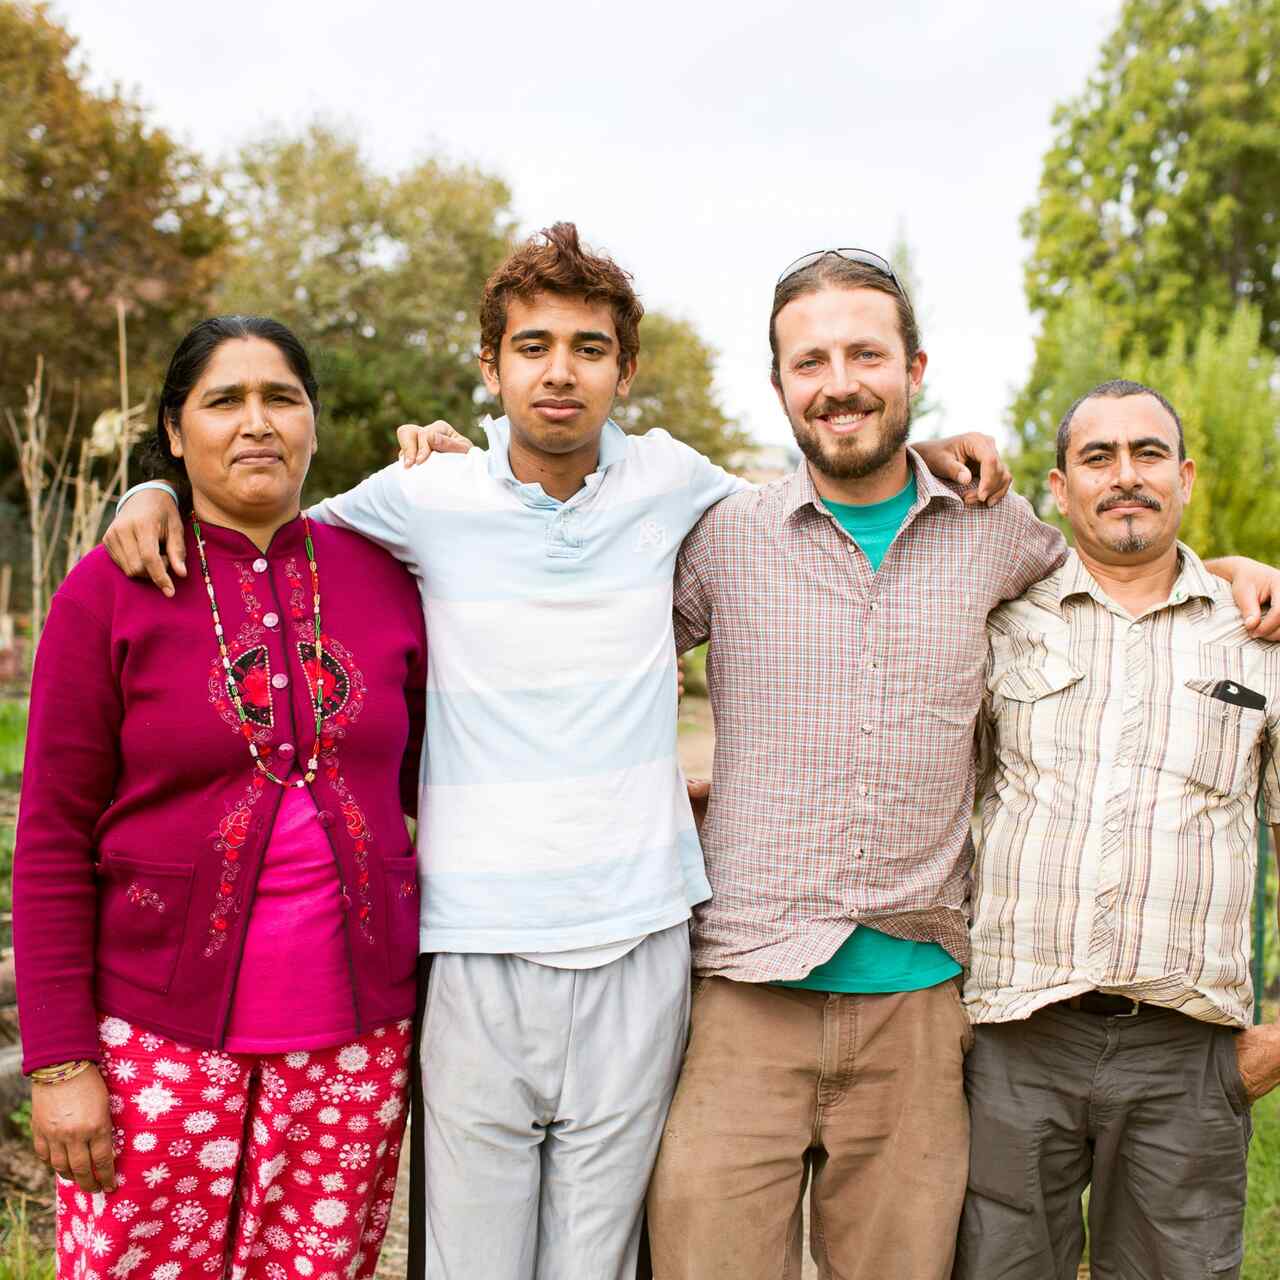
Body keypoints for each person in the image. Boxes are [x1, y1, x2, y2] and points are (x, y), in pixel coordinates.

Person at [101, 225, 1010, 1280]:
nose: (559, 369)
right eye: (531, 345)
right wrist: (151, 489)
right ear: (488, 367)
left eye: (588, 346)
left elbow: (821, 489)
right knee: (472, 1258)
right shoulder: (421, 496)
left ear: (625, 369)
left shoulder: (675, 482)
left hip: (638, 936)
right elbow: (263, 522)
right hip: (475, 940)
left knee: (598, 1257)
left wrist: (930, 455)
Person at [643, 251, 1280, 1280]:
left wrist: (1234, 573)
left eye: (865, 353)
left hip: (920, 1007)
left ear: (914, 368)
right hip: (747, 993)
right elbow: (588, 659)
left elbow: (1134, 566)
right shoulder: (721, 537)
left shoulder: (994, 536)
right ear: (777, 385)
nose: (838, 380)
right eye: (810, 360)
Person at [15, 315, 427, 1280]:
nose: (257, 423)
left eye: (281, 398)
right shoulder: (110, 589)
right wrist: (62, 1062)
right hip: (153, 1042)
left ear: (315, 426)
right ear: (174, 428)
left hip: (355, 1045)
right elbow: (49, 837)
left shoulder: (385, 576)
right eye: (224, 401)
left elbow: (447, 775)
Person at [955, 380, 1280, 1280]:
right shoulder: (998, 619)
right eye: (1098, 458)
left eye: (1146, 455)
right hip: (1017, 1037)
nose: (1124, 476)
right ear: (1059, 488)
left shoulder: (1258, 635)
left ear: (1184, 479)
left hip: (1188, 1050)